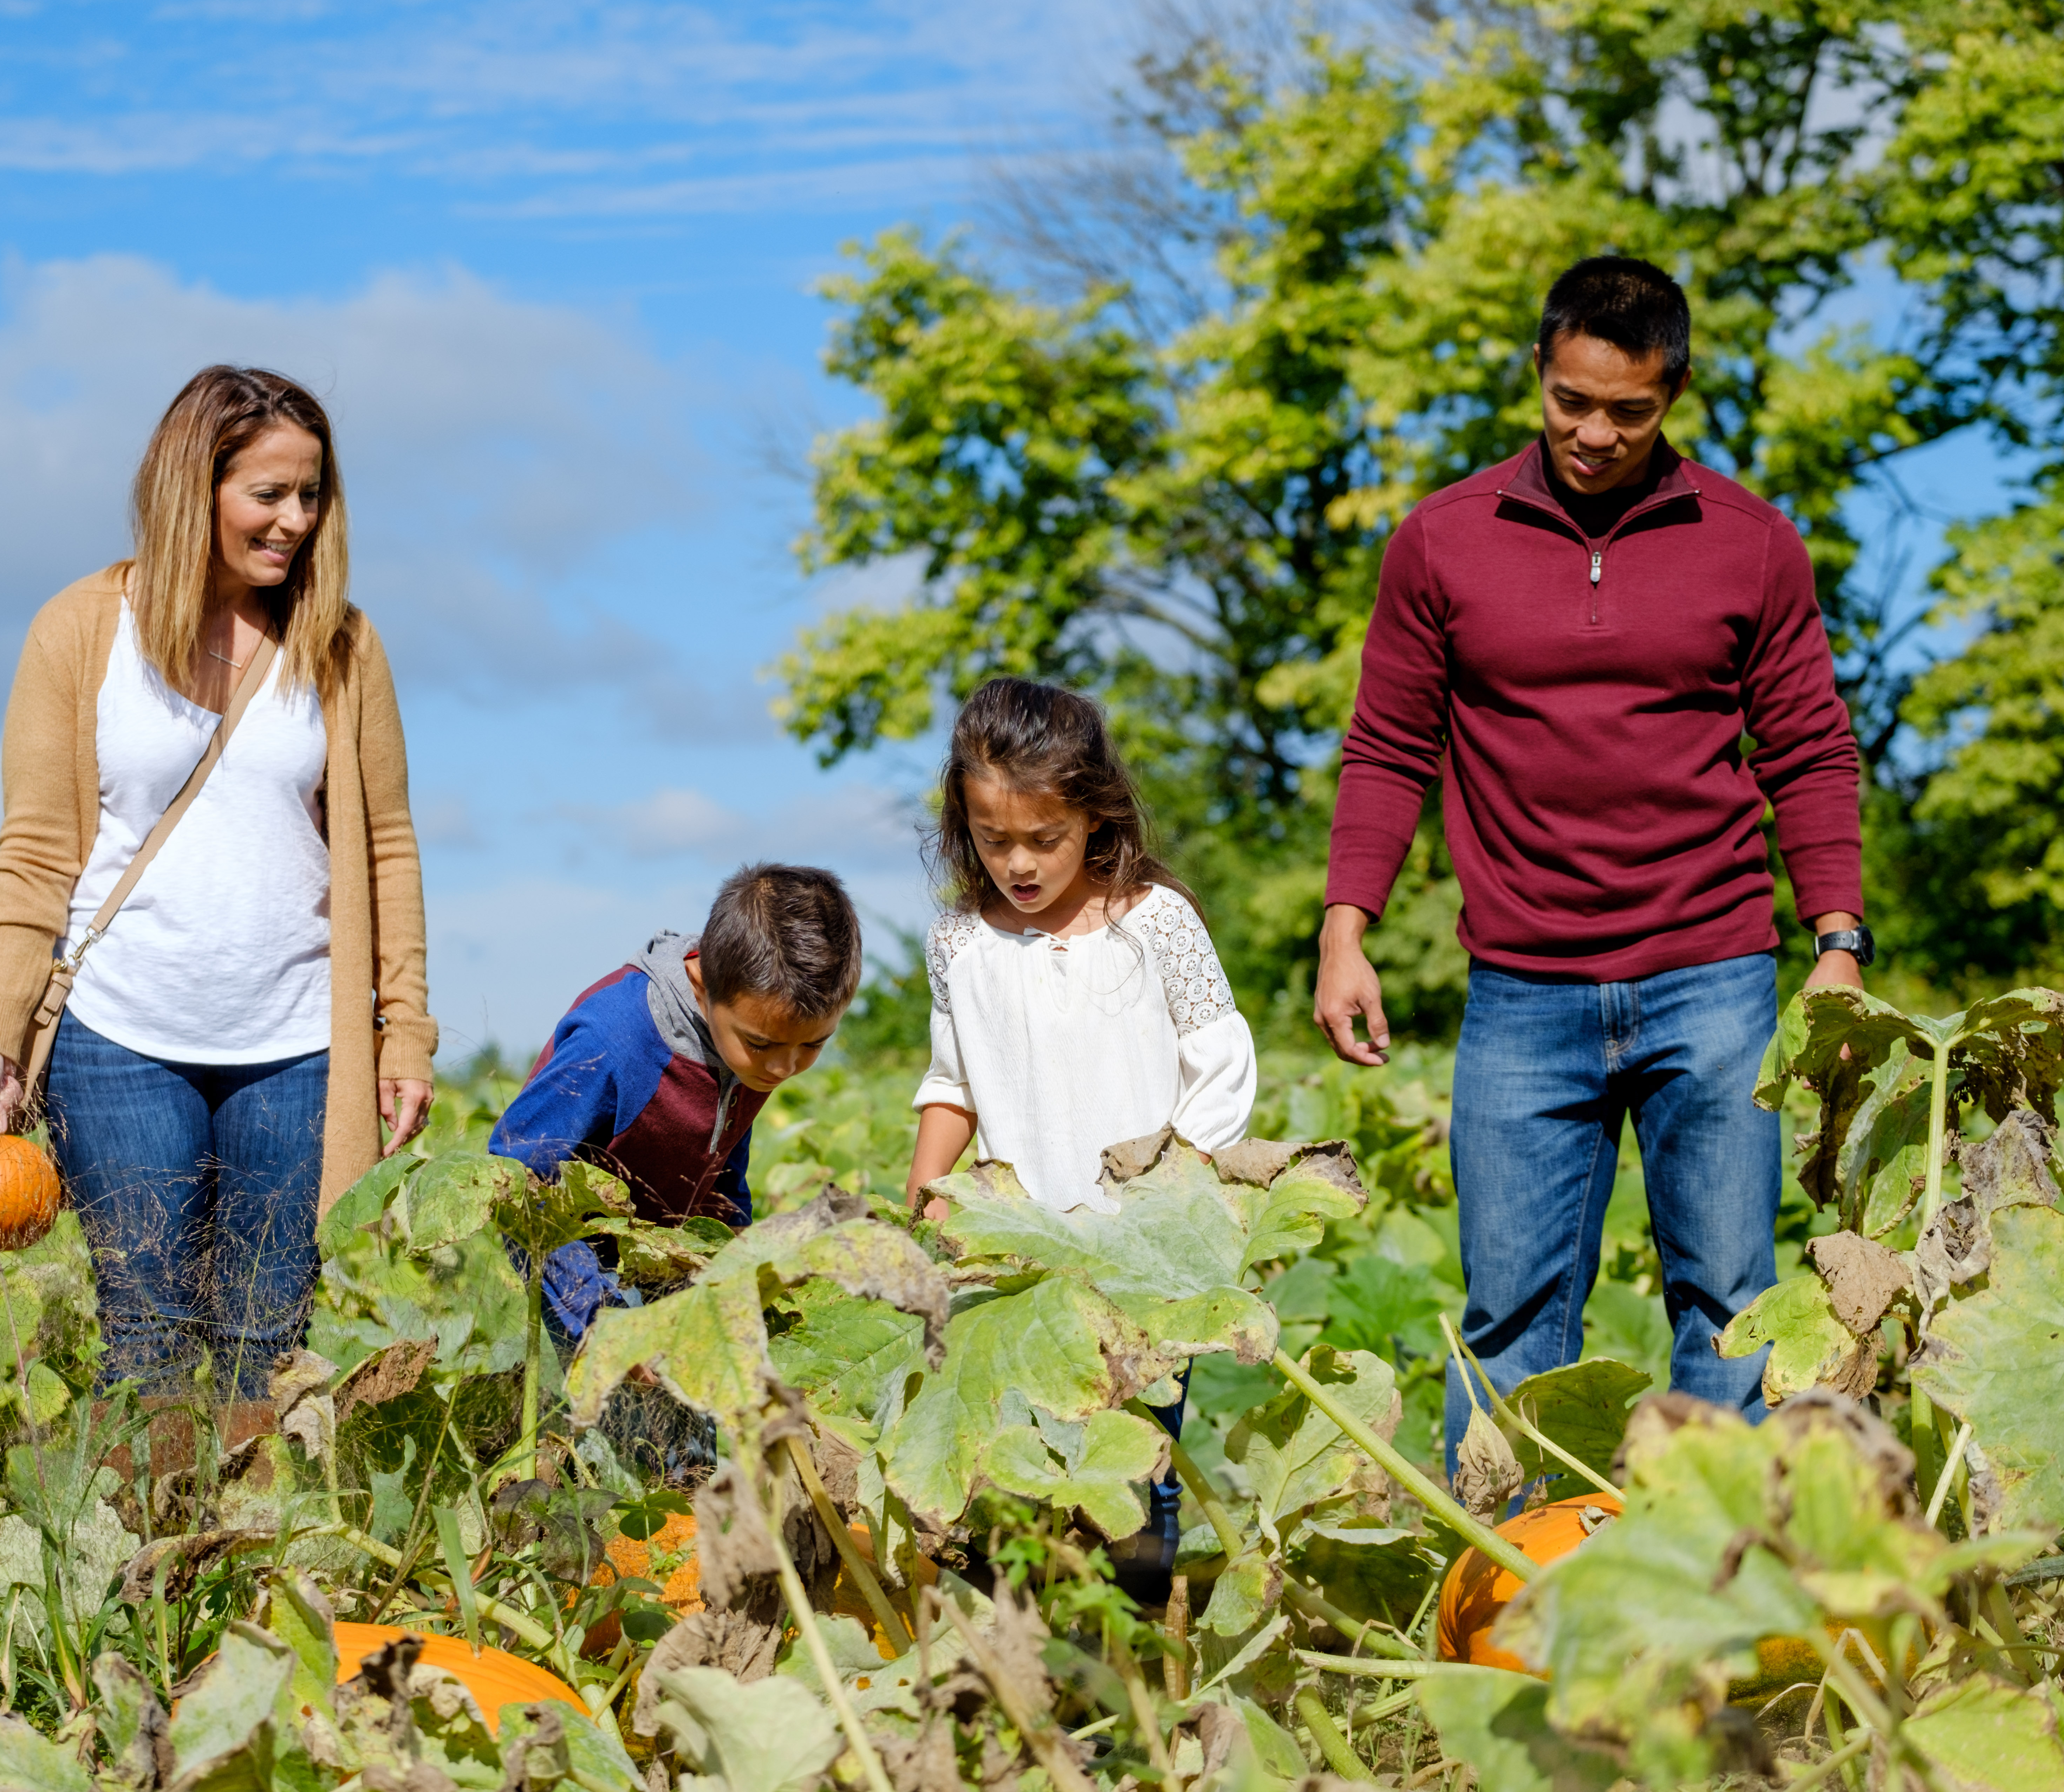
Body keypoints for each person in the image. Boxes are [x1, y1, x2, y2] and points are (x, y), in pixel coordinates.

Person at [1314, 255, 1867, 1471]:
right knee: (1511, 1322)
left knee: (1729, 1313)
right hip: (1522, 992)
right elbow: (1390, 744)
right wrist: (1346, 926)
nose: (1596, 434)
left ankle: (1725, 1608)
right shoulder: (1442, 543)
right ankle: (1507, 1599)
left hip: (1713, 978)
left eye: (1630, 410)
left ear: (1674, 393)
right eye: (1573, 401)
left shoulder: (1753, 545)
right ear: (1539, 372)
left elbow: (1812, 753)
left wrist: (1838, 943)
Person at [0, 365, 436, 1403]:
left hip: (299, 1043)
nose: (295, 521)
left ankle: (260, 1560)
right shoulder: (80, 630)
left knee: (270, 1344)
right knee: (151, 1341)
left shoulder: (344, 646)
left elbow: (387, 845)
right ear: (194, 487)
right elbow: (35, 850)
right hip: (117, 1036)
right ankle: (155, 1559)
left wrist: (405, 1032)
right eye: (269, 494)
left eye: (312, 495)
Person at [903, 676, 1258, 1603]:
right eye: (994, 839)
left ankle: (1137, 1647)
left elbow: (1220, 1061)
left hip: (1140, 1257)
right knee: (1016, 1463)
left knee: (1133, 1465)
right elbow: (955, 1083)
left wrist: (1169, 1193)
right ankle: (1031, 1658)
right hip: (1021, 1260)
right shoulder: (959, 944)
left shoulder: (1151, 923)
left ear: (1095, 817)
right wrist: (929, 1187)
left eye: (1043, 839)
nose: (1018, 862)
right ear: (963, 823)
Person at [491, 863, 862, 1337]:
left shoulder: (748, 1043)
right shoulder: (614, 1037)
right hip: (575, 1269)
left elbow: (720, 1160)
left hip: (661, 1255)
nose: (782, 1069)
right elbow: (517, 1170)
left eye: (813, 1045)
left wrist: (736, 1253)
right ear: (705, 987)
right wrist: (599, 1315)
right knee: (620, 1407)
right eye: (762, 1045)